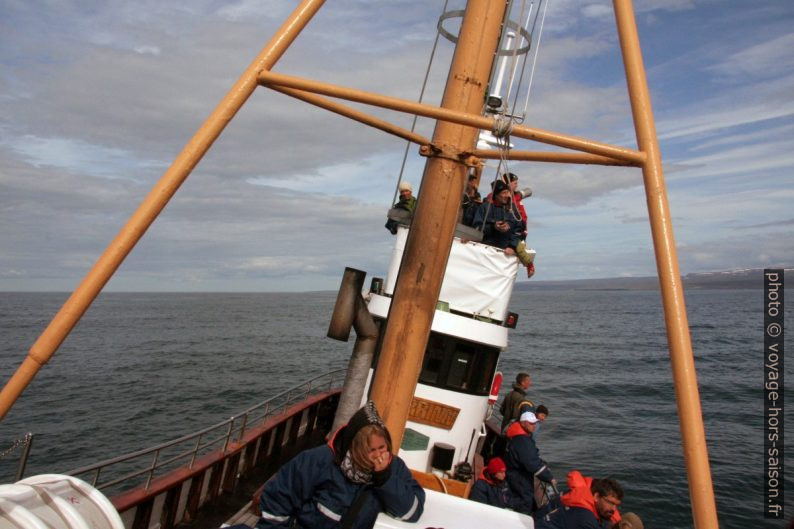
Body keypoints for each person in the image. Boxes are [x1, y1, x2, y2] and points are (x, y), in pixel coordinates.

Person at [256, 401, 425, 528]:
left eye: (382, 447)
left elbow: (412, 512)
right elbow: (278, 499)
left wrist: (384, 479)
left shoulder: (394, 467)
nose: (379, 455)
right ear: (355, 448)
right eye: (371, 450)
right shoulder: (320, 461)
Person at [504, 411, 555, 515]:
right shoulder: (523, 441)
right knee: (524, 502)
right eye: (531, 423)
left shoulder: (516, 436)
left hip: (513, 473)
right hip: (520, 477)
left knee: (515, 498)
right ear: (523, 423)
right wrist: (549, 477)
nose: (534, 426)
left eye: (535, 423)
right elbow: (532, 463)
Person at [535, 471, 623, 529]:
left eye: (616, 505)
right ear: (596, 497)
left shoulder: (581, 501)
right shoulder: (585, 518)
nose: (614, 509)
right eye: (610, 503)